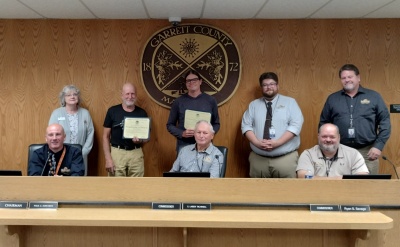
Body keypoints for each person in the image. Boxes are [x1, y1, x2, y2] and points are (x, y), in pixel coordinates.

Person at [319, 64, 391, 174]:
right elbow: (323, 123)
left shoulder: (374, 97)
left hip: (367, 152)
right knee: (340, 186)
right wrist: (328, 147)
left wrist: (378, 146)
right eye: (343, 78)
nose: (347, 80)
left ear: (358, 78)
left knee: (368, 187)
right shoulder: (332, 99)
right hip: (339, 151)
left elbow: (385, 122)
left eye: (350, 77)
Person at [241, 72, 304, 178]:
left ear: (277, 86)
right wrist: (257, 142)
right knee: (258, 192)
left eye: (272, 84)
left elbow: (296, 125)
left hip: (285, 159)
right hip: (258, 159)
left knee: (287, 192)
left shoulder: (290, 103)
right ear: (261, 87)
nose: (268, 87)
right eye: (265, 85)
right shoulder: (253, 105)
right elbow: (246, 126)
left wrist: (277, 142)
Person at [166, 70, 220, 153]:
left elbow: (216, 124)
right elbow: (170, 125)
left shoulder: (211, 101)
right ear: (186, 83)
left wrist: (208, 134)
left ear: (200, 81)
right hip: (184, 146)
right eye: (188, 81)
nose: (191, 82)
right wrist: (181, 133)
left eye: (194, 80)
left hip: (205, 146)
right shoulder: (178, 102)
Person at [103, 83, 149, 177]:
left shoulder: (142, 113)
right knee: (116, 186)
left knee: (137, 186)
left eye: (132, 94)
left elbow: (146, 138)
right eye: (127, 93)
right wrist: (108, 159)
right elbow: (105, 136)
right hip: (117, 153)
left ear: (136, 95)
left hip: (136, 153)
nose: (130, 96)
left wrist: (140, 140)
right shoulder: (112, 111)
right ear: (122, 95)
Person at [49, 85, 94, 176]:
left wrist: (83, 152)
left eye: (75, 94)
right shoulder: (56, 113)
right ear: (63, 98)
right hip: (60, 155)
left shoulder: (85, 113)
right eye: (68, 95)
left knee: (79, 183)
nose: (72, 97)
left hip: (81, 155)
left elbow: (90, 133)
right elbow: (51, 133)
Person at [297, 123, 369, 179]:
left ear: (339, 137)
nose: (328, 140)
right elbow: (303, 177)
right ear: (318, 136)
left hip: (345, 194)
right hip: (316, 194)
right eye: (324, 136)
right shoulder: (308, 154)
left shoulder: (353, 154)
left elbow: (362, 177)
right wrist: (340, 179)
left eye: (332, 137)